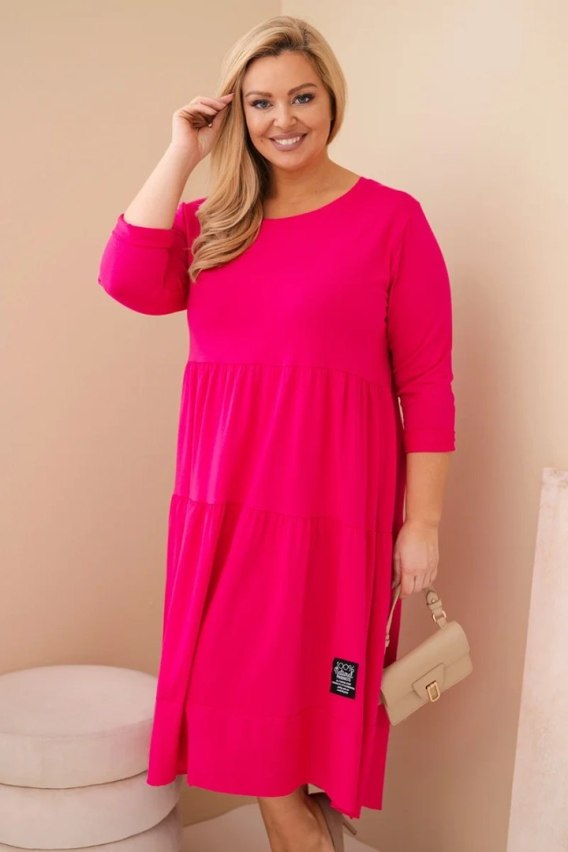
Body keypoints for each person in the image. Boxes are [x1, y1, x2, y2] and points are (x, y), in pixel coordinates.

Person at [97, 14, 456, 852]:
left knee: (315, 695)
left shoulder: (392, 220)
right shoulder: (213, 221)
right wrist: (182, 151)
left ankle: (304, 831)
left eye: (302, 97)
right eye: (260, 102)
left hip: (337, 508)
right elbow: (126, 279)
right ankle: (304, 829)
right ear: (237, 112)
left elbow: (427, 385)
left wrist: (423, 523)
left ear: (332, 100)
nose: (283, 119)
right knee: (240, 696)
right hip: (224, 505)